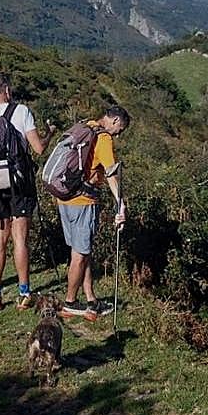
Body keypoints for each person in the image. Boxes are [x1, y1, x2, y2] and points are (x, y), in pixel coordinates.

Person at [0, 73, 56, 311]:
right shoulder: (21, 112)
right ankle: (24, 293)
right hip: (19, 183)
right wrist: (49, 133)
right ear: (7, 90)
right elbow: (38, 149)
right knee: (20, 238)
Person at [57, 105, 129, 322]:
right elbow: (110, 172)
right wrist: (121, 203)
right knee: (80, 254)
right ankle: (70, 303)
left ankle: (90, 299)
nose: (119, 134)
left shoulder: (84, 126)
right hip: (83, 201)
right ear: (115, 120)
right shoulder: (103, 138)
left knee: (81, 250)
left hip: (64, 196)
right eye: (120, 129)